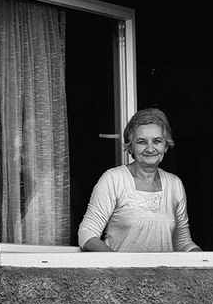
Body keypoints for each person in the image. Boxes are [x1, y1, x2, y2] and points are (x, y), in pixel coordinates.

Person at [78, 108, 202, 252]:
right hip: (119, 267)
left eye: (157, 141)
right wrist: (118, 263)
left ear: (166, 146)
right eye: (142, 142)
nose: (150, 148)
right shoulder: (113, 179)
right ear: (130, 147)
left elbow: (182, 241)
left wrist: (206, 260)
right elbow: (87, 234)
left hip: (163, 268)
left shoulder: (174, 184)